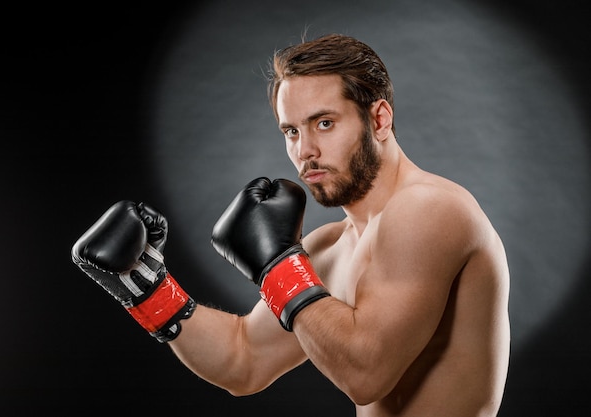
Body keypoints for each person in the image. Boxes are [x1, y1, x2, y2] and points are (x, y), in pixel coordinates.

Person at [72, 34, 510, 416]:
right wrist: (148, 288)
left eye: (324, 123)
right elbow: (244, 361)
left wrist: (279, 267)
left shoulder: (429, 209)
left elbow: (366, 373)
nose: (306, 151)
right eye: (292, 132)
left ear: (379, 119)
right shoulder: (328, 248)